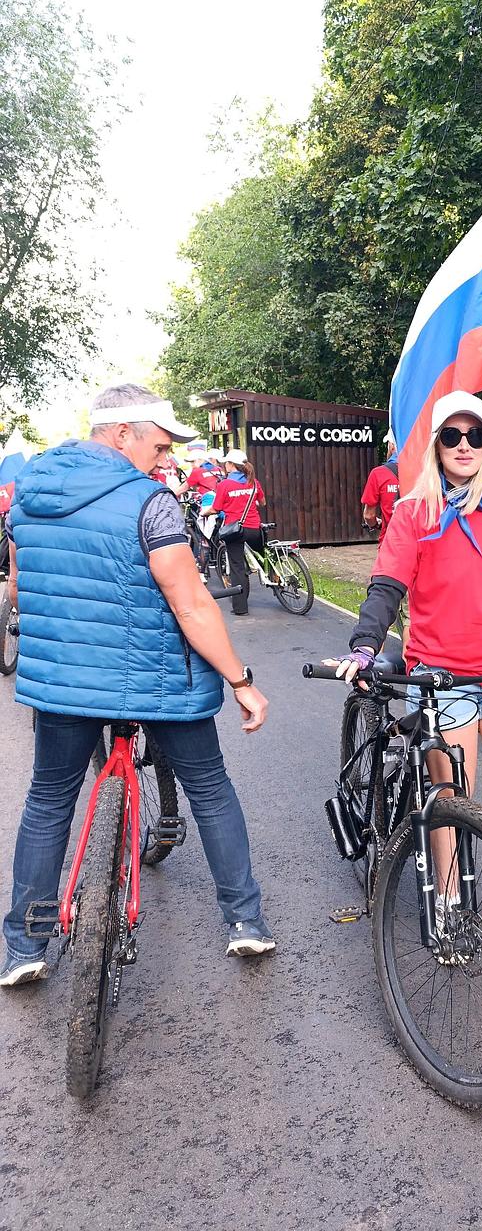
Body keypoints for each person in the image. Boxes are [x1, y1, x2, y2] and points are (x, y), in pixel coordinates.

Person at [1, 383, 274, 987]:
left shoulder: (31, 495)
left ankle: (23, 946)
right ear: (122, 434)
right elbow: (192, 603)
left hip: (64, 683)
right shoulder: (150, 503)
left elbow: (21, 591)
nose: (166, 456)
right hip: (155, 681)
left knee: (48, 802)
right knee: (209, 788)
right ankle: (246, 921)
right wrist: (241, 680)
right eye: (159, 441)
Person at [334, 391, 482, 976]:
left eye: (473, 437)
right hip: (442, 677)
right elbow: (386, 586)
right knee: (454, 800)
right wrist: (366, 643)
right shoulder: (413, 511)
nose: (462, 447)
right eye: (451, 437)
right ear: (435, 446)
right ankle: (450, 903)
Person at [204, 448, 266, 617]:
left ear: (231, 465)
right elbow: (262, 502)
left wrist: (205, 512)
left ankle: (240, 608)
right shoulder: (253, 481)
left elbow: (216, 508)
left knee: (237, 567)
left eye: (226, 463)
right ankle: (273, 575)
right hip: (254, 529)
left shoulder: (224, 484)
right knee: (264, 555)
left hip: (236, 530)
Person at [360, 432, 401, 542]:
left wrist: (376, 525)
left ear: (392, 446)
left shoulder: (379, 474)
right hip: (419, 545)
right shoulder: (424, 472)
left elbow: (369, 515)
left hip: (390, 543)